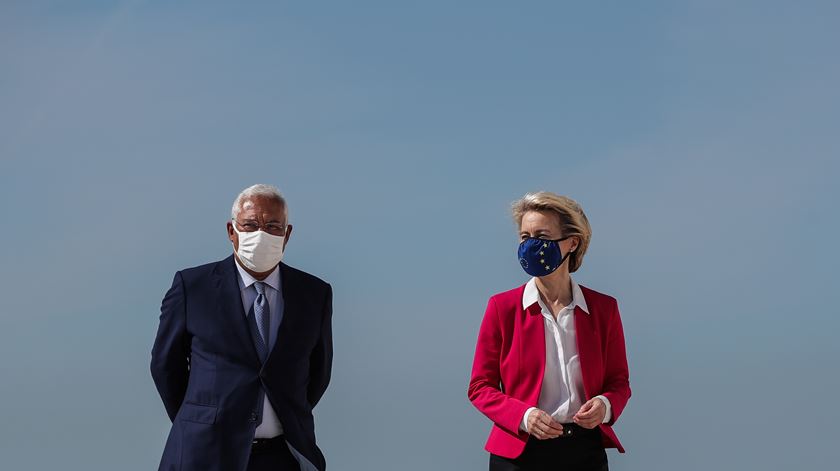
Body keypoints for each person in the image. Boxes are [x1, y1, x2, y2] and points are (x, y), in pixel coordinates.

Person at [151, 184, 333, 471]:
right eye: (250, 225)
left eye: (273, 226)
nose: (261, 234)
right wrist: (199, 418)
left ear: (286, 235)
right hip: (205, 452)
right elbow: (165, 367)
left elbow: (318, 373)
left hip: (282, 455)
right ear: (231, 231)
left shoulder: (313, 293)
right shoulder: (192, 287)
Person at [468, 192, 631, 471]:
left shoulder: (604, 309)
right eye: (524, 236)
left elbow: (619, 383)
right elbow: (480, 387)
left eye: (541, 236)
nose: (531, 245)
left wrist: (605, 405)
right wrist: (525, 415)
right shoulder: (502, 308)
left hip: (584, 452)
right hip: (519, 454)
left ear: (572, 242)